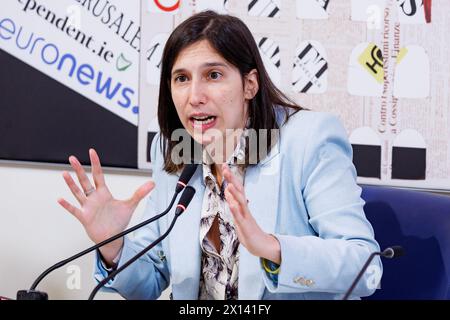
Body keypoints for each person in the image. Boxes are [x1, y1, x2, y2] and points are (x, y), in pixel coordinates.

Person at [58, 10, 382, 300]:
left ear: (249, 84)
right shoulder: (176, 151)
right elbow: (148, 284)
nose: (195, 97)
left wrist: (272, 247)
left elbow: (365, 267)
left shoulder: (308, 140)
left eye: (213, 75)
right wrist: (113, 245)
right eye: (181, 78)